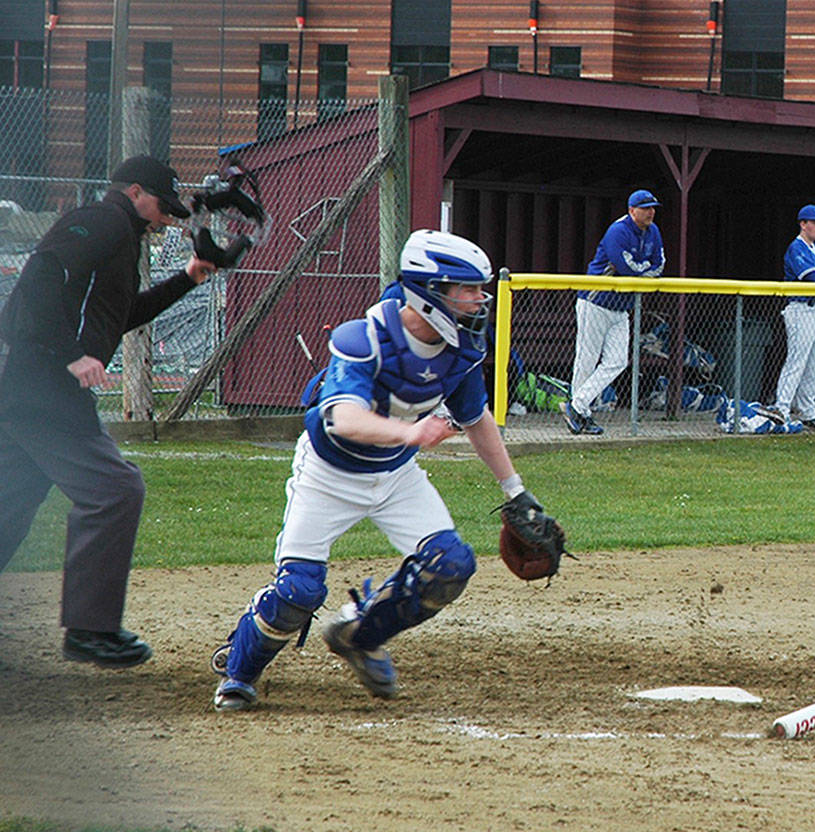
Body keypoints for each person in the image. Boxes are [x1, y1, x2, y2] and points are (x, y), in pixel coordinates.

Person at [212, 229, 558, 711]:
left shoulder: (462, 350)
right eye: (468, 290)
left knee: (450, 566)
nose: (481, 301)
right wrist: (411, 434)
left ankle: (361, 635)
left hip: (395, 477)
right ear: (430, 292)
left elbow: (476, 417)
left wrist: (515, 490)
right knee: (298, 594)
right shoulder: (366, 339)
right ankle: (239, 672)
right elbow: (343, 418)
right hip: (327, 476)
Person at [0, 154, 218, 668]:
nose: (166, 218)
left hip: (30, 386)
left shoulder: (121, 237)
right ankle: (90, 631)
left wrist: (188, 277)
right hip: (43, 385)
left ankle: (89, 627)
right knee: (115, 490)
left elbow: (119, 316)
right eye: (162, 207)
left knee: (10, 502)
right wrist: (71, 354)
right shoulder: (103, 220)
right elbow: (37, 283)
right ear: (135, 192)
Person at [562, 189, 665, 436]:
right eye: (645, 208)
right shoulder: (618, 231)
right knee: (587, 359)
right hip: (595, 301)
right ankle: (582, 415)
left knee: (618, 361)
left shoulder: (654, 231)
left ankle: (576, 406)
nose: (650, 212)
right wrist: (645, 271)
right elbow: (626, 268)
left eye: (652, 207)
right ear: (632, 211)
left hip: (621, 307)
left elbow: (659, 264)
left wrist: (645, 272)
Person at [773, 204, 815, 429]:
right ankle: (781, 407)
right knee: (797, 361)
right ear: (803, 224)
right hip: (801, 309)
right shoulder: (797, 247)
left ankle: (807, 410)